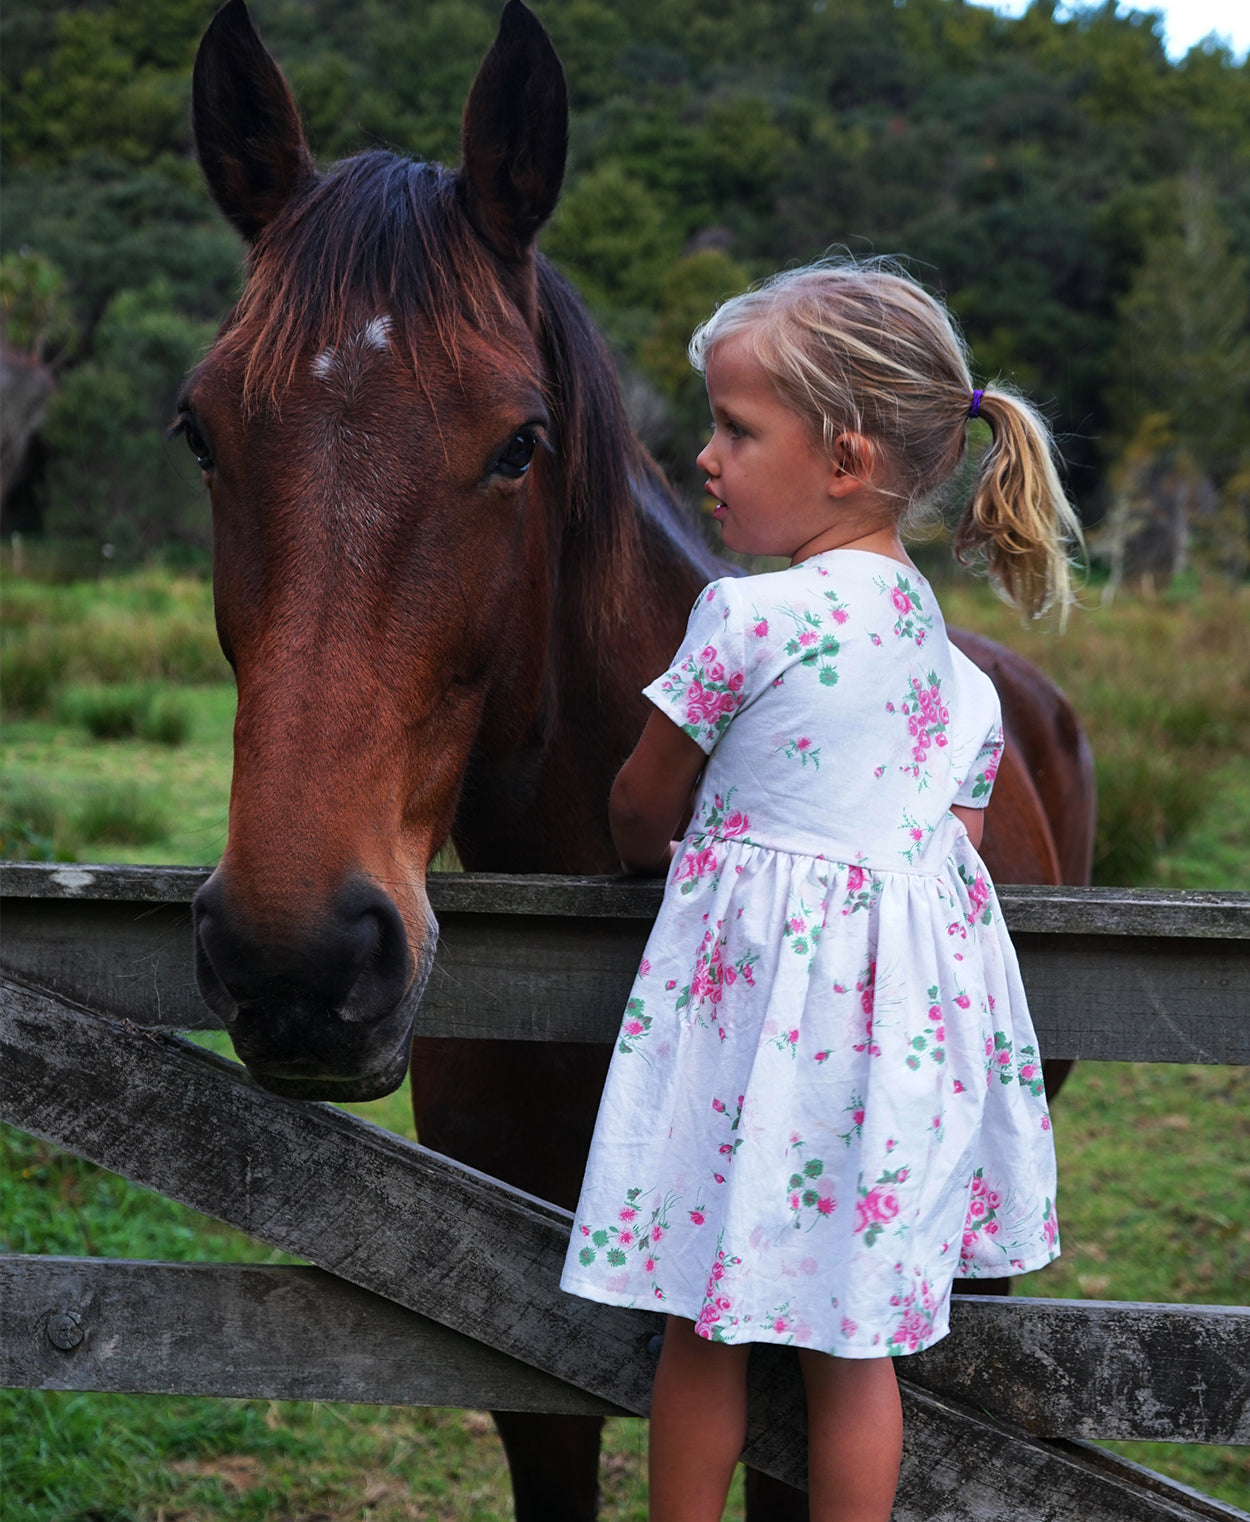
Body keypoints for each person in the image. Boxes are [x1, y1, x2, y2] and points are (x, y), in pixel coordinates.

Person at [559, 256, 1075, 1522]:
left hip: (748, 1044)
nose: (706, 457)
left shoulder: (747, 618)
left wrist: (671, 858)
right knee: (858, 1357)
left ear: (842, 459)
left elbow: (639, 803)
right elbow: (937, 851)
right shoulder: (966, 683)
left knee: (703, 1325)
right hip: (891, 1053)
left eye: (735, 428)